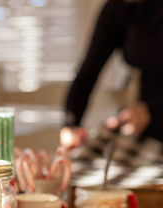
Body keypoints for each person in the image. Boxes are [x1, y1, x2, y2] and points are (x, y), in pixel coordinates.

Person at [60, 0, 163, 148]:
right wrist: (71, 125)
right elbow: (87, 74)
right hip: (148, 128)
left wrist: (155, 111)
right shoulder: (118, 8)